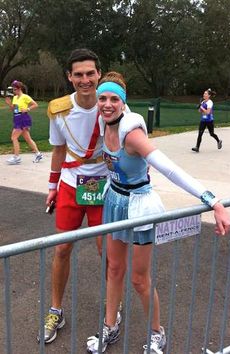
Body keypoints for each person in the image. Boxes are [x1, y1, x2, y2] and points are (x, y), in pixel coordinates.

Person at [86, 72, 230, 354]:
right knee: (114, 269)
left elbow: (170, 168)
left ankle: (157, 334)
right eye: (102, 98)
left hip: (139, 207)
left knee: (139, 279)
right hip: (114, 200)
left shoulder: (133, 132)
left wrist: (212, 201)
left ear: (123, 102)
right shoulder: (103, 121)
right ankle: (110, 326)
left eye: (114, 99)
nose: (106, 104)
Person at [38, 48, 125, 344]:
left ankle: (114, 310)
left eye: (90, 73)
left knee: (108, 254)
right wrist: (52, 187)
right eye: (79, 74)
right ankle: (55, 309)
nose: (85, 80)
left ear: (99, 74)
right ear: (70, 77)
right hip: (71, 185)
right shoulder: (58, 108)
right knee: (62, 249)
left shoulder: (110, 105)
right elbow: (59, 150)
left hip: (104, 187)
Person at [4, 80, 43, 164]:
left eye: (15, 89)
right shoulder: (15, 97)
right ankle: (38, 154)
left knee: (14, 137)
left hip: (23, 119)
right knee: (28, 139)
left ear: (19, 88)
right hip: (17, 118)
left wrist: (27, 109)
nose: (14, 91)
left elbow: (35, 104)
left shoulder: (25, 97)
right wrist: (9, 104)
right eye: (13, 90)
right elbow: (14, 110)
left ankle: (16, 157)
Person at [192, 88, 222, 152]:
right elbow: (200, 111)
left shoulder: (210, 102)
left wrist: (202, 107)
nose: (204, 94)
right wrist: (199, 107)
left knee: (211, 134)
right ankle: (197, 147)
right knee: (200, 134)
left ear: (209, 95)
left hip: (209, 121)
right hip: (203, 121)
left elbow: (208, 112)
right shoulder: (203, 102)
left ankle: (219, 141)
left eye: (205, 93)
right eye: (204, 93)